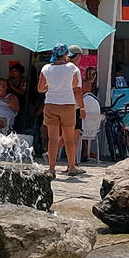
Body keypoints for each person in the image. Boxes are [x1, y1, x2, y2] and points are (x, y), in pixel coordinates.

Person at [38, 43, 83, 178]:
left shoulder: (46, 69)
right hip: (68, 105)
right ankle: (72, 167)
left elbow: (40, 89)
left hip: (51, 104)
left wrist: (50, 85)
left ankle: (51, 169)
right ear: (66, 55)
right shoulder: (72, 68)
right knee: (69, 138)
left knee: (52, 139)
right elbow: (76, 86)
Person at [7, 63, 28, 132]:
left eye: (15, 71)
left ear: (20, 72)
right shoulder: (10, 79)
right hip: (10, 102)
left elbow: (22, 92)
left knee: (19, 118)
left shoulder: (23, 81)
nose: (13, 73)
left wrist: (12, 86)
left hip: (20, 102)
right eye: (12, 71)